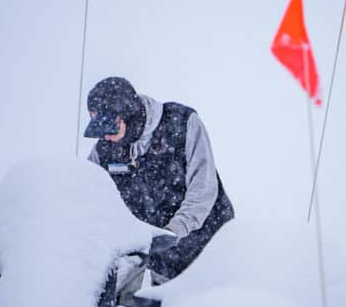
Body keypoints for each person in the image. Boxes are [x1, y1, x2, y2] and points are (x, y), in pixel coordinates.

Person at [84, 77, 234, 290]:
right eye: (100, 129)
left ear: (129, 114)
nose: (106, 136)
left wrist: (172, 232)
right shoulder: (104, 152)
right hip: (162, 264)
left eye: (110, 127)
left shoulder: (182, 124)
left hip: (209, 248)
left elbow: (203, 189)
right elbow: (88, 196)